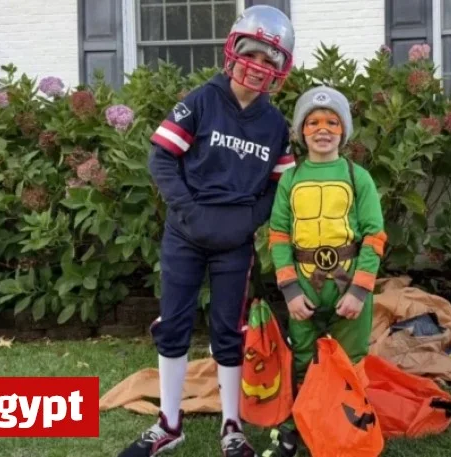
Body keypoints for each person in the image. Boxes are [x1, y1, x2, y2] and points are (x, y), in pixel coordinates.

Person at [117, 5, 296, 457]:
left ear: (281, 70)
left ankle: (231, 426)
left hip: (234, 242)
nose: (259, 67)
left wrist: (248, 219)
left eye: (270, 60)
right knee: (174, 323)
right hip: (185, 233)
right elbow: (161, 158)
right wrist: (189, 210)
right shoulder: (201, 100)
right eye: (252, 53)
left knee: (228, 331)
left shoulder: (275, 124)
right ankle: (169, 423)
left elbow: (281, 185)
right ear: (234, 51)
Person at [263, 86, 387, 456]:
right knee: (302, 355)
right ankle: (298, 424)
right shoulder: (291, 177)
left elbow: (374, 235)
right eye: (313, 122)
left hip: (348, 279)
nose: (322, 129)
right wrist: (289, 290)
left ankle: (348, 425)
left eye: (332, 122)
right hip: (303, 281)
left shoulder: (358, 177)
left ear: (343, 130)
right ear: (302, 132)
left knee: (351, 357)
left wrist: (360, 291)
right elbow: (279, 234)